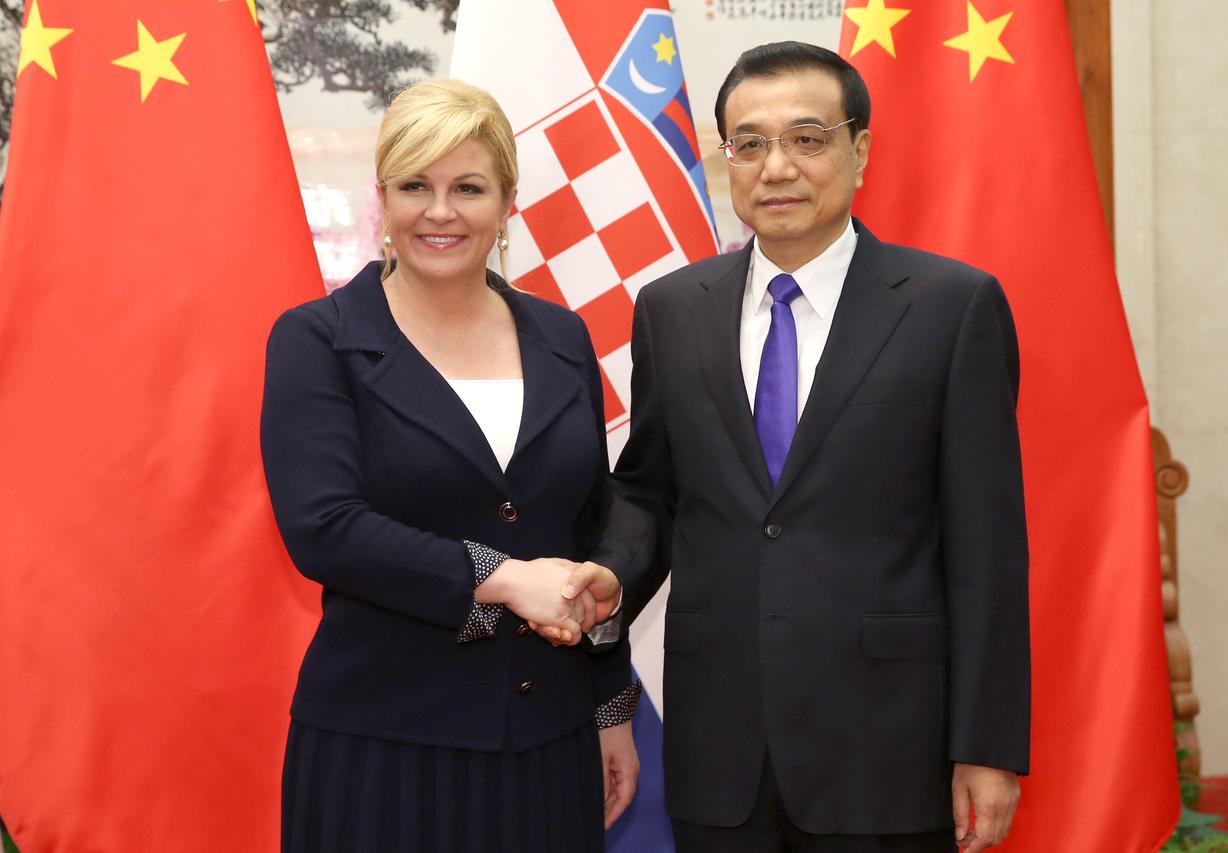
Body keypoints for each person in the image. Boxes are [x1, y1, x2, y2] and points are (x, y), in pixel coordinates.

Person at [559, 42, 1030, 853]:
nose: (776, 166)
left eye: (807, 138)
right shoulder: (673, 309)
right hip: (720, 744)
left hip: (889, 746)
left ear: (860, 151)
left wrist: (985, 745)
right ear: (726, 159)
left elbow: (987, 545)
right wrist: (610, 572)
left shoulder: (951, 307)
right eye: (749, 143)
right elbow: (654, 492)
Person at [260, 79, 639, 853]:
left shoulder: (562, 337)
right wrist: (503, 578)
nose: (439, 212)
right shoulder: (318, 339)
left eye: (468, 187)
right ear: (383, 199)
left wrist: (609, 708)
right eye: (414, 186)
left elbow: (589, 527)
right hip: (383, 747)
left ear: (506, 203)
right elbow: (324, 529)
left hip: (549, 745)